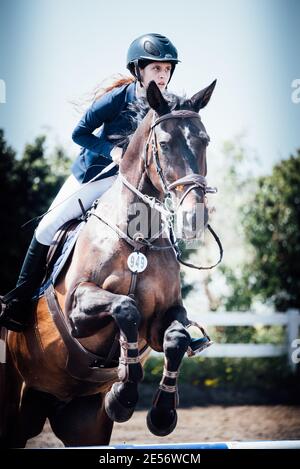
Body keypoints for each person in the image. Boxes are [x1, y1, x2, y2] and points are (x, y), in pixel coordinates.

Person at [0, 33, 180, 332]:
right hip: (94, 177)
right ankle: (19, 299)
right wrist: (112, 150)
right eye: (155, 69)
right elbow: (79, 134)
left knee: (161, 238)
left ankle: (171, 313)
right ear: (138, 70)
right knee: (46, 227)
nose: (162, 75)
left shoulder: (167, 105)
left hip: (132, 188)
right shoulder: (117, 99)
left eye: (166, 69)